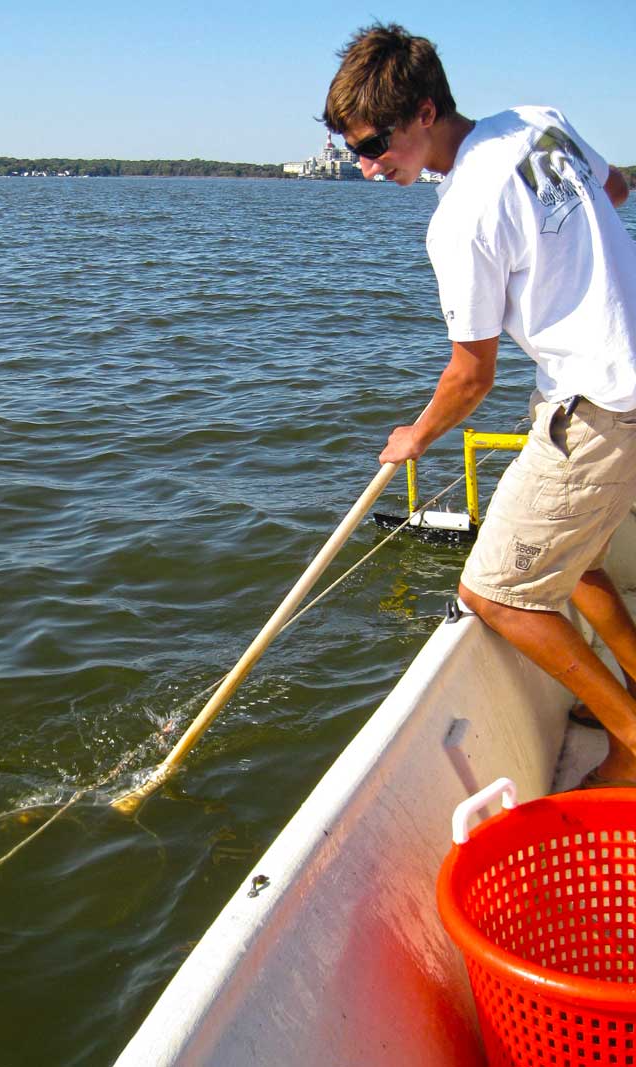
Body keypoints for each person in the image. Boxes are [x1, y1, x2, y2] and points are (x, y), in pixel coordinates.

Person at [322, 22, 636, 787]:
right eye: (354, 151)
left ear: (424, 113)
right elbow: (618, 188)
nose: (367, 168)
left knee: (493, 592)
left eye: (374, 146)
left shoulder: (458, 218)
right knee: (580, 555)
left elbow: (472, 374)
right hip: (609, 380)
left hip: (603, 404)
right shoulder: (538, 122)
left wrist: (415, 437)